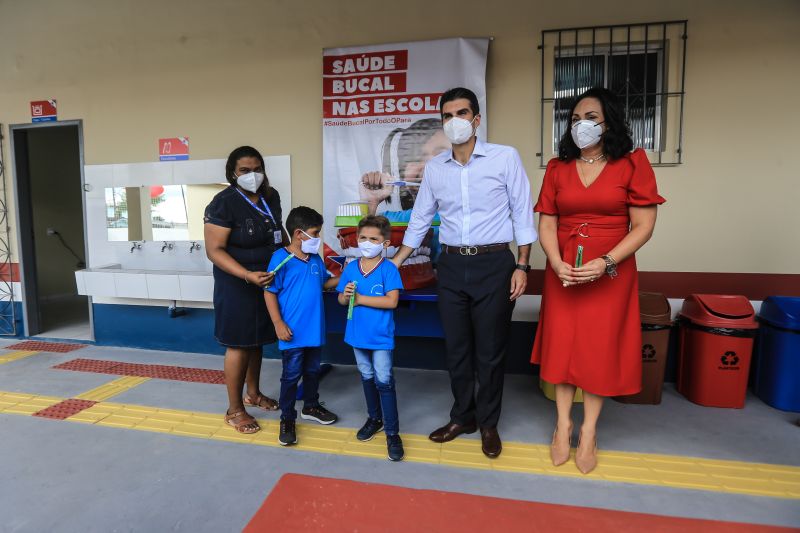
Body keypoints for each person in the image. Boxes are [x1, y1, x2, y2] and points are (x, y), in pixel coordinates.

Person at [392, 87, 537, 459]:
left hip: (495, 264)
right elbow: (420, 219)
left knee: (490, 351)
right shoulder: (437, 168)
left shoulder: (504, 157)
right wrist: (395, 261)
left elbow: (522, 212)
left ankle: (488, 423)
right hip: (452, 265)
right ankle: (462, 418)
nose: (454, 121)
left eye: (462, 113)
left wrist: (522, 265)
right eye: (447, 115)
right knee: (457, 349)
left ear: (476, 119)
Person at [531, 87, 665, 474]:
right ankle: (562, 424)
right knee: (563, 345)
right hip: (565, 272)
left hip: (611, 274)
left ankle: (588, 430)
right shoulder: (557, 168)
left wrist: (606, 262)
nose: (581, 125)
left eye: (590, 118)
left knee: (598, 349)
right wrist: (555, 262)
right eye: (575, 119)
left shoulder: (632, 164)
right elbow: (548, 223)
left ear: (609, 123)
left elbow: (644, 225)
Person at [204, 146, 286, 434]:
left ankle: (253, 393)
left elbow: (279, 232)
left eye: (257, 169)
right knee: (239, 343)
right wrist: (246, 275)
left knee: (256, 340)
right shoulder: (222, 203)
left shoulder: (271, 196)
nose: (253, 175)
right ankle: (234, 408)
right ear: (232, 173)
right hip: (236, 282)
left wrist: (295, 256)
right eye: (245, 170)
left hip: (266, 280)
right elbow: (214, 250)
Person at [265, 206, 341, 446]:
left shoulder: (315, 259)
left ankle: (311, 406)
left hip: (314, 330)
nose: (318, 238)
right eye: (315, 233)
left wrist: (348, 275)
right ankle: (287, 418)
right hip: (292, 333)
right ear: (299, 234)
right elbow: (269, 291)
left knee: (312, 371)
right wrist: (278, 323)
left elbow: (324, 284)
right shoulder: (281, 258)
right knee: (291, 376)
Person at [337, 215, 405, 461]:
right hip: (357, 335)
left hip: (380, 338)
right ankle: (374, 419)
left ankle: (392, 433)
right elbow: (341, 299)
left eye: (373, 239)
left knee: (384, 381)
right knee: (366, 376)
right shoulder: (351, 268)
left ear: (385, 244)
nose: (367, 242)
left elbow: (392, 301)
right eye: (363, 237)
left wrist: (360, 299)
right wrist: (346, 296)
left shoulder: (388, 269)